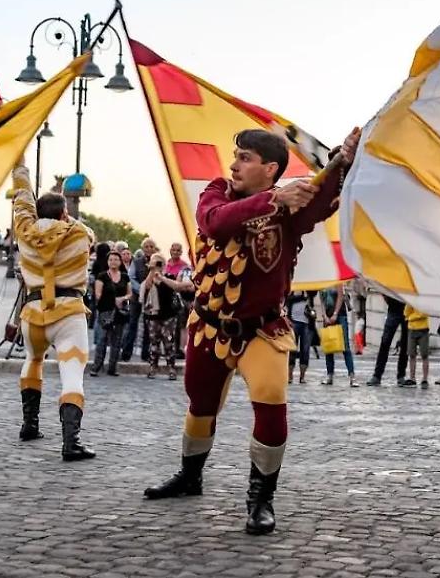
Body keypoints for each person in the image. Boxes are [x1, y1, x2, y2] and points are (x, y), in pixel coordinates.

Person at [144, 126, 359, 536]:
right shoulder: (216, 192)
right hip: (209, 327)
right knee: (200, 405)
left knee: (271, 401)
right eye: (236, 155)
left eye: (245, 158)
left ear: (270, 168)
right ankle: (190, 476)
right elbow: (214, 223)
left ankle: (261, 499)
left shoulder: (292, 209)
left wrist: (343, 162)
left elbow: (321, 198)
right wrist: (275, 200)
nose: (234, 165)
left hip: (262, 330)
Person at [11, 161, 96, 462]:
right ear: (64, 213)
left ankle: (29, 424)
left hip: (33, 312)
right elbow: (90, 235)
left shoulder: (24, 231)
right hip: (68, 312)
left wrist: (20, 169)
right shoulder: (78, 232)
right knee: (72, 375)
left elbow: (22, 201)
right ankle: (71, 442)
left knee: (32, 360)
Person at [141, 252, 193, 380]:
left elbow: (176, 286)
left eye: (159, 263)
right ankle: (153, 367)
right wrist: (152, 271)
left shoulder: (169, 276)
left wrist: (162, 277)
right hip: (153, 315)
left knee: (169, 342)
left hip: (168, 315)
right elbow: (146, 286)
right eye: (155, 262)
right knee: (154, 343)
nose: (157, 265)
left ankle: (171, 368)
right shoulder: (148, 277)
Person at [90, 251, 131, 378]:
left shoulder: (125, 276)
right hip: (105, 311)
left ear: (120, 262)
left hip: (120, 312)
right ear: (107, 262)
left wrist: (123, 298)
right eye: (111, 259)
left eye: (116, 259)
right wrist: (111, 299)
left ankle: (112, 368)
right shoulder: (102, 276)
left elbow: (130, 293)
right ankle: (96, 367)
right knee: (102, 339)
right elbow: (98, 294)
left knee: (117, 341)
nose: (113, 262)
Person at [366, 294, 409, 387]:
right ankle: (377, 375)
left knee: (405, 344)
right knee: (385, 342)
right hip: (394, 308)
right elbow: (384, 289)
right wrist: (388, 299)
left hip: (407, 309)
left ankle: (400, 375)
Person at [319, 284, 357, 387]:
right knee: (329, 346)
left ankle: (352, 376)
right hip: (327, 316)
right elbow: (322, 300)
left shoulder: (337, 280)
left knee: (345, 346)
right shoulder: (322, 281)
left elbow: (340, 296)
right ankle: (329, 375)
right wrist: (324, 315)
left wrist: (335, 314)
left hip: (340, 316)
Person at [286, 290, 315, 385]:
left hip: (307, 323)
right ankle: (290, 375)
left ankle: (302, 376)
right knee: (292, 349)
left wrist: (307, 292)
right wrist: (300, 296)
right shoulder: (292, 290)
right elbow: (287, 300)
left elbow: (315, 292)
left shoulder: (309, 290)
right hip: (293, 322)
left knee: (305, 350)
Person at [401, 304, 431, 388]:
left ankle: (425, 379)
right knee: (411, 354)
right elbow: (406, 313)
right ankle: (412, 378)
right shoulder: (411, 301)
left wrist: (411, 317)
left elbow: (424, 314)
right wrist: (414, 316)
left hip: (423, 329)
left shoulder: (424, 300)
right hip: (412, 329)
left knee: (424, 354)